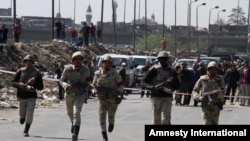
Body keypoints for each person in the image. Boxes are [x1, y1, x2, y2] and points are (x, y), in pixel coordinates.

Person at [59, 51, 92, 141]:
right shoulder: (67, 69)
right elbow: (61, 80)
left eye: (80, 59)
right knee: (70, 114)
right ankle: (73, 124)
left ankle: (75, 134)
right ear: (73, 60)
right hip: (69, 94)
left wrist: (86, 86)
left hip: (80, 95)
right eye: (76, 59)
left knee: (76, 113)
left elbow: (89, 80)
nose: (78, 61)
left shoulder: (86, 70)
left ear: (82, 61)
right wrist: (66, 86)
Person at [91, 55, 125, 141]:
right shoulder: (97, 74)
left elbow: (121, 84)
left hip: (112, 99)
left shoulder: (114, 74)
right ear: (102, 63)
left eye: (108, 63)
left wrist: (117, 92)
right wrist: (94, 91)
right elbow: (93, 85)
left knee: (111, 115)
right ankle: (104, 136)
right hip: (101, 98)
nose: (106, 64)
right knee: (101, 116)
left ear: (111, 64)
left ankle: (111, 123)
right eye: (105, 62)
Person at [141, 51, 180, 125]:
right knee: (156, 120)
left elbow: (178, 85)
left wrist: (171, 83)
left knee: (165, 119)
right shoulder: (153, 70)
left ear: (167, 59)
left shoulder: (172, 71)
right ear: (158, 59)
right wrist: (150, 87)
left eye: (165, 59)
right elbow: (143, 81)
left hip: (167, 97)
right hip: (156, 97)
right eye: (161, 59)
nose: (163, 60)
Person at [11, 54, 44, 137]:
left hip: (31, 97)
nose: (28, 63)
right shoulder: (20, 71)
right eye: (27, 61)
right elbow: (12, 82)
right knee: (22, 113)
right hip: (21, 96)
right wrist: (19, 84)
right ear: (25, 62)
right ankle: (22, 117)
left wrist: (34, 83)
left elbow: (41, 87)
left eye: (30, 62)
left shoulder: (37, 73)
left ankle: (26, 130)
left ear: (33, 63)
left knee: (30, 114)